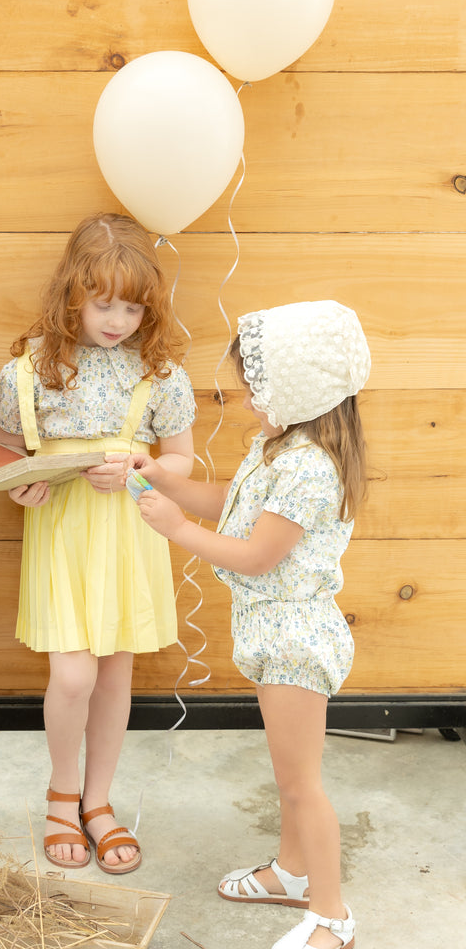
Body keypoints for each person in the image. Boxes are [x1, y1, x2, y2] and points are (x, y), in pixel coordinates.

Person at [126, 300, 369, 949]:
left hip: (295, 640)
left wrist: (179, 533)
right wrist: (168, 486)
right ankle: (292, 872)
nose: (247, 402)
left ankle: (332, 916)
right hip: (271, 631)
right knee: (288, 775)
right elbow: (234, 510)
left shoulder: (308, 469)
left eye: (256, 391)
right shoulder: (277, 449)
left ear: (297, 390)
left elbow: (258, 556)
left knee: (301, 784)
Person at [0, 213, 195, 874]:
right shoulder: (29, 372)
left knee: (115, 674)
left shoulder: (159, 374)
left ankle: (99, 802)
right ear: (71, 292)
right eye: (103, 302)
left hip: (128, 534)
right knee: (74, 673)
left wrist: (142, 468)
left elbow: (182, 464)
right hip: (63, 532)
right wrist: (17, 487)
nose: (117, 319)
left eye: (133, 307)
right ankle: (62, 792)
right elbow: (3, 457)